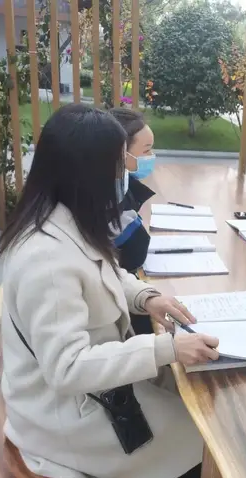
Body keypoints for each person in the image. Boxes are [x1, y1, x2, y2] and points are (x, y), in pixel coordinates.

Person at [0, 104, 219, 478]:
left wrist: (146, 297)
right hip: (66, 417)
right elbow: (67, 368)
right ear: (88, 172)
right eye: (118, 165)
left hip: (98, 392)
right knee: (206, 441)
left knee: (200, 415)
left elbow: (104, 270)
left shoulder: (65, 216)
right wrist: (165, 349)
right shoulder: (45, 259)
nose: (125, 174)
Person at [109, 107, 157, 335]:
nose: (151, 156)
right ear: (121, 153)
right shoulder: (100, 202)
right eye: (146, 150)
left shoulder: (121, 184)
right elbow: (133, 250)